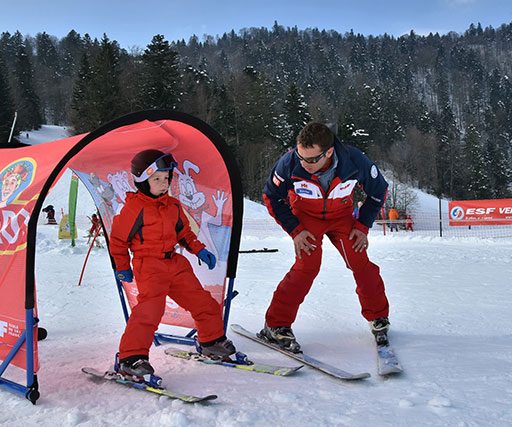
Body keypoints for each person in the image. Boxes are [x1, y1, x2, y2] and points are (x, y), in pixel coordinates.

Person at [261, 122, 391, 351]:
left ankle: (378, 317)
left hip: (341, 217)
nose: (305, 164)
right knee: (307, 267)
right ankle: (276, 325)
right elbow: (271, 196)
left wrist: (362, 226)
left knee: (359, 261)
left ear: (329, 152)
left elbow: (378, 191)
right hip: (306, 219)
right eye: (301, 157)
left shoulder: (355, 160)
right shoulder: (289, 163)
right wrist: (295, 230)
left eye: (311, 160)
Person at [109, 149, 236, 378]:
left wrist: (200, 250)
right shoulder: (134, 208)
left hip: (175, 264)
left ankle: (211, 341)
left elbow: (184, 234)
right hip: (149, 266)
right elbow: (118, 240)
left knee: (203, 301)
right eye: (156, 179)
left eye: (166, 178)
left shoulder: (173, 205)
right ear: (142, 181)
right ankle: (131, 358)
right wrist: (122, 267)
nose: (163, 183)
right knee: (149, 311)